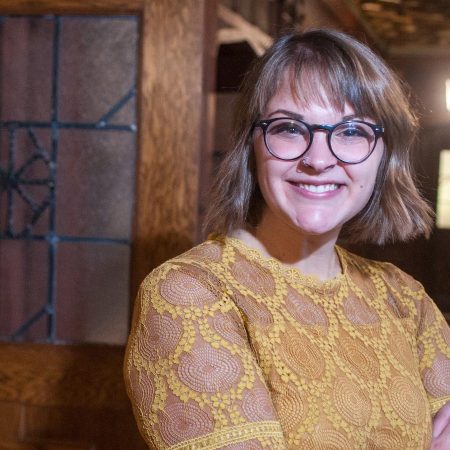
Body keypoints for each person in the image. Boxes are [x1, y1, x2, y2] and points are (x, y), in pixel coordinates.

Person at [124, 28, 450, 449]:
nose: (317, 159)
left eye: (352, 132)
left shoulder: (405, 299)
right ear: (251, 144)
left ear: (383, 156)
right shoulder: (189, 294)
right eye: (289, 129)